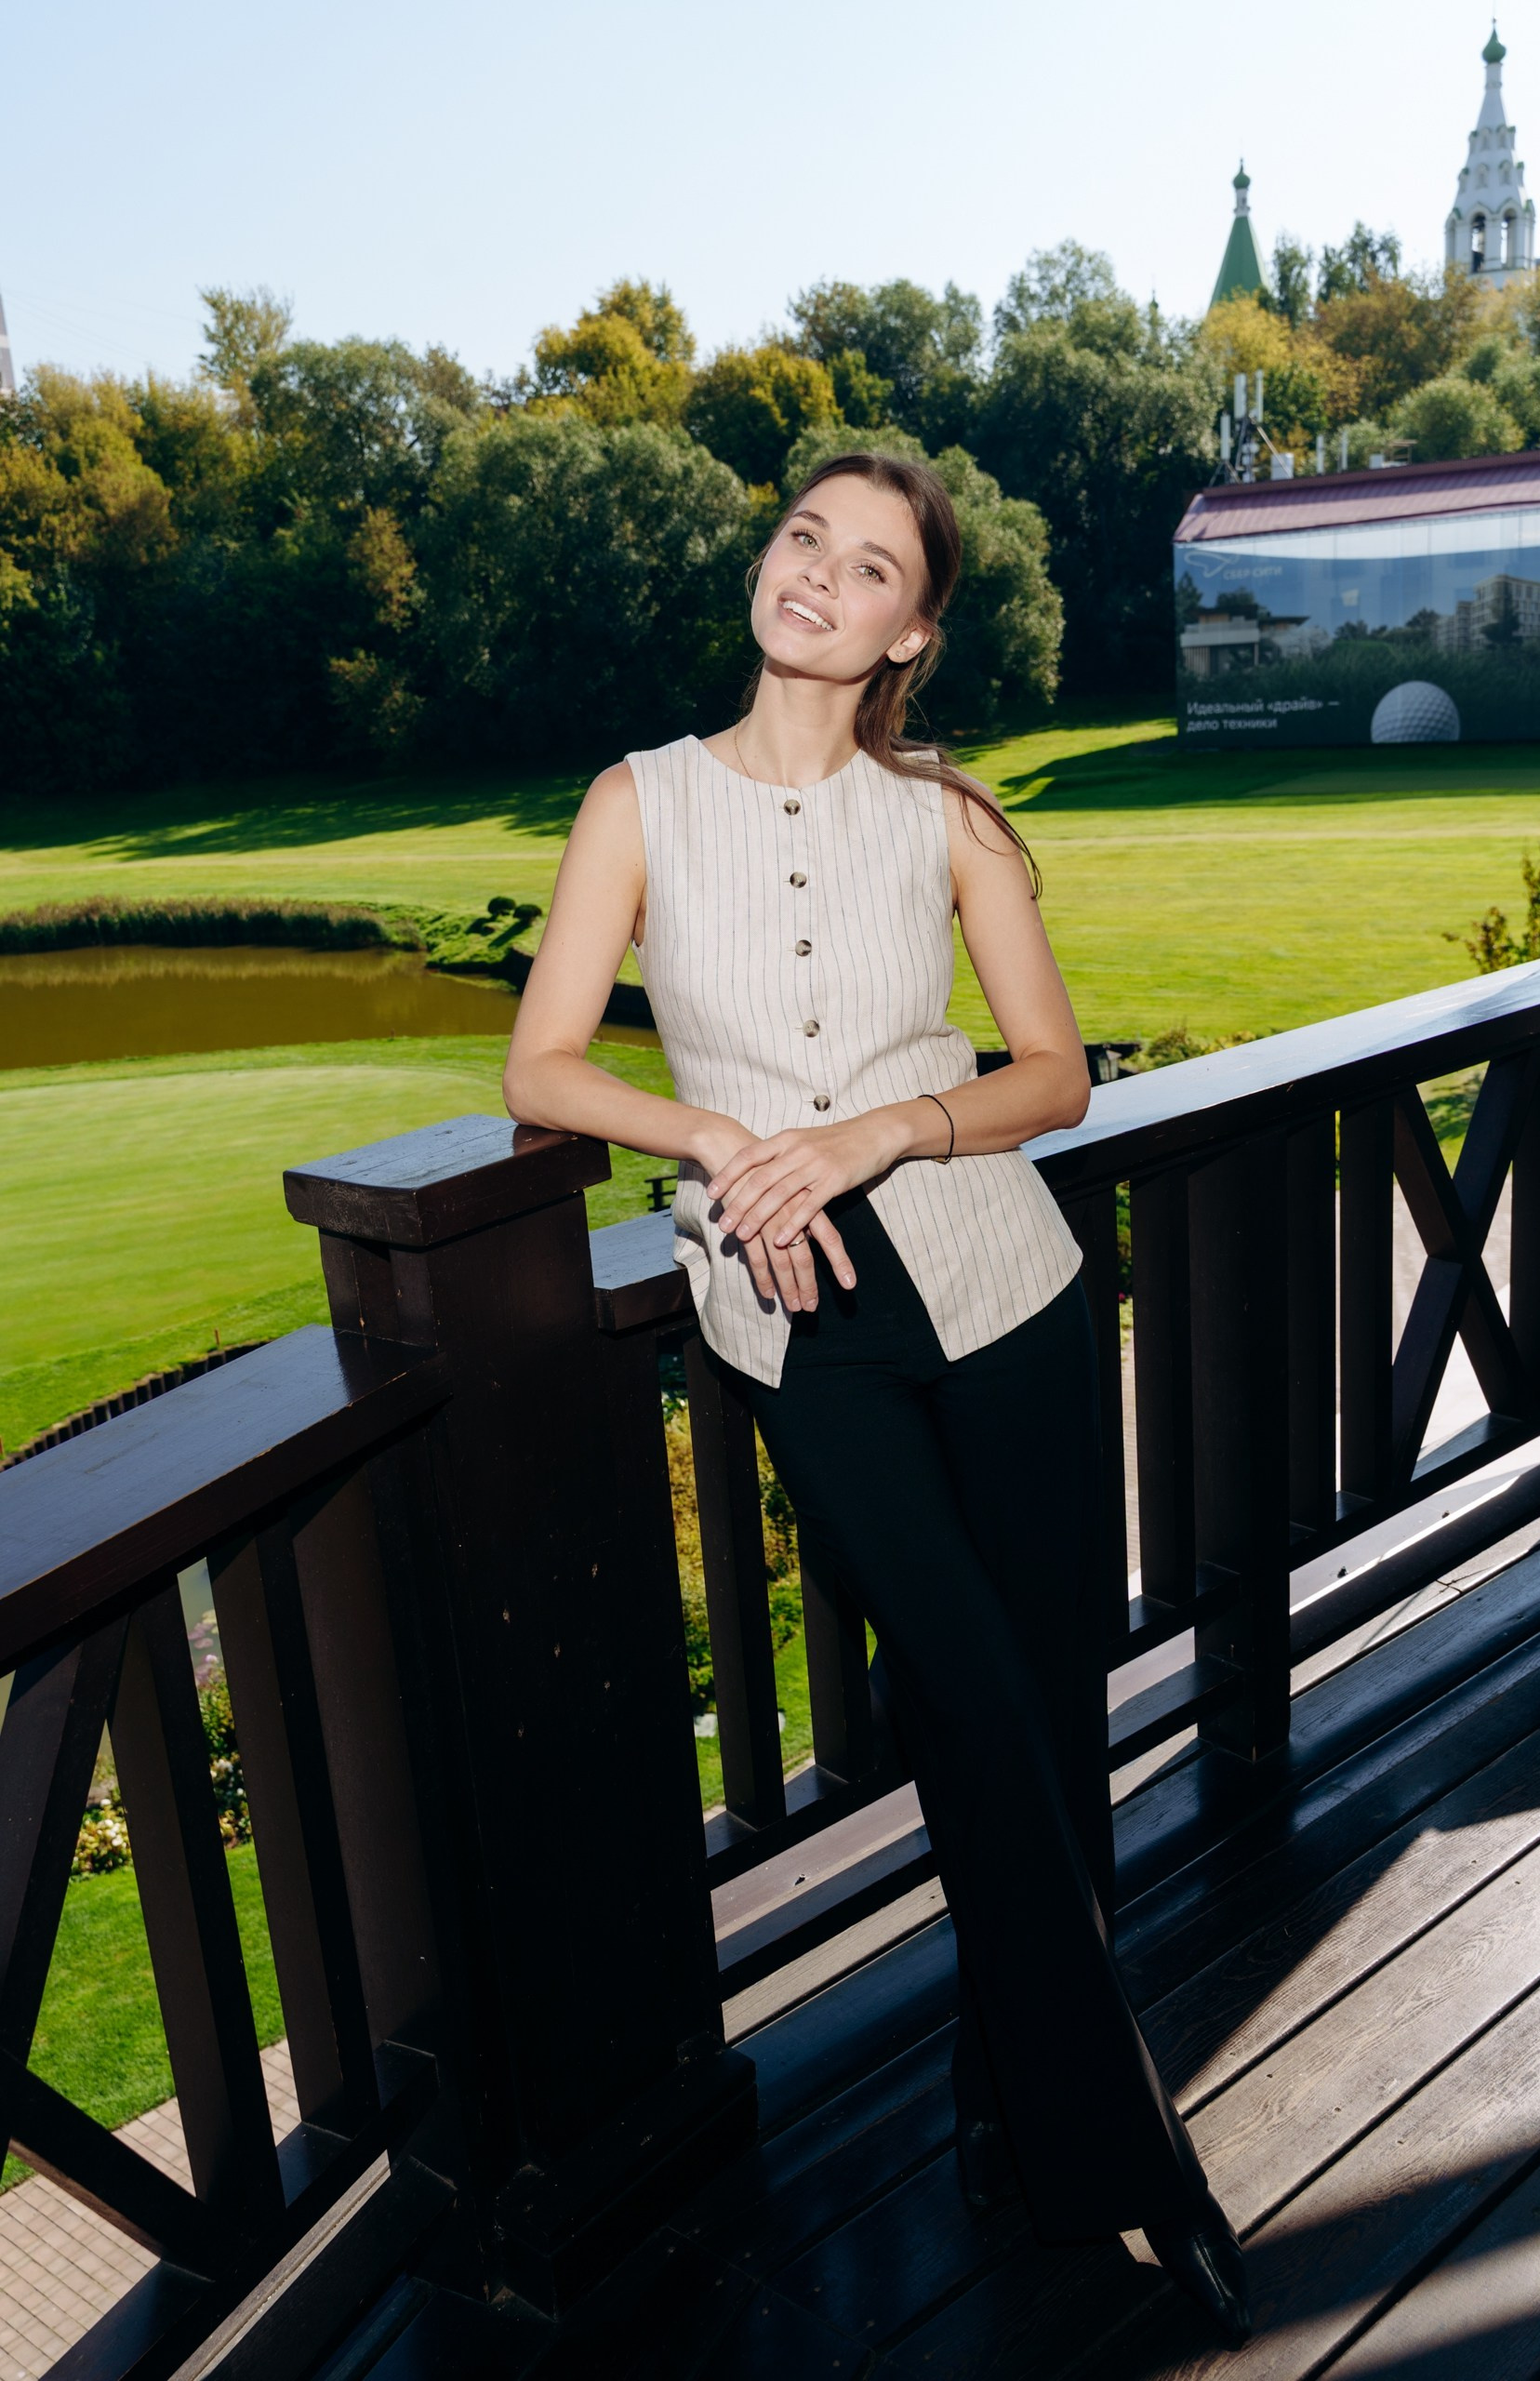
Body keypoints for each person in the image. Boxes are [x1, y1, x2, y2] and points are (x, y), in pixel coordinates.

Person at [502, 451, 1250, 2341]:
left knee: (1046, 1718)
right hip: (798, 1321)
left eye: (867, 568)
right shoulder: (638, 802)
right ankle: (1128, 2152)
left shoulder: (947, 817)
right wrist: (718, 1140)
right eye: (801, 542)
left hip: (1006, 1289)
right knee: (972, 1702)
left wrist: (886, 1128)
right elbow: (542, 1065)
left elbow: (1053, 1073)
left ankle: (1010, 2108)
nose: (816, 579)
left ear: (909, 631)